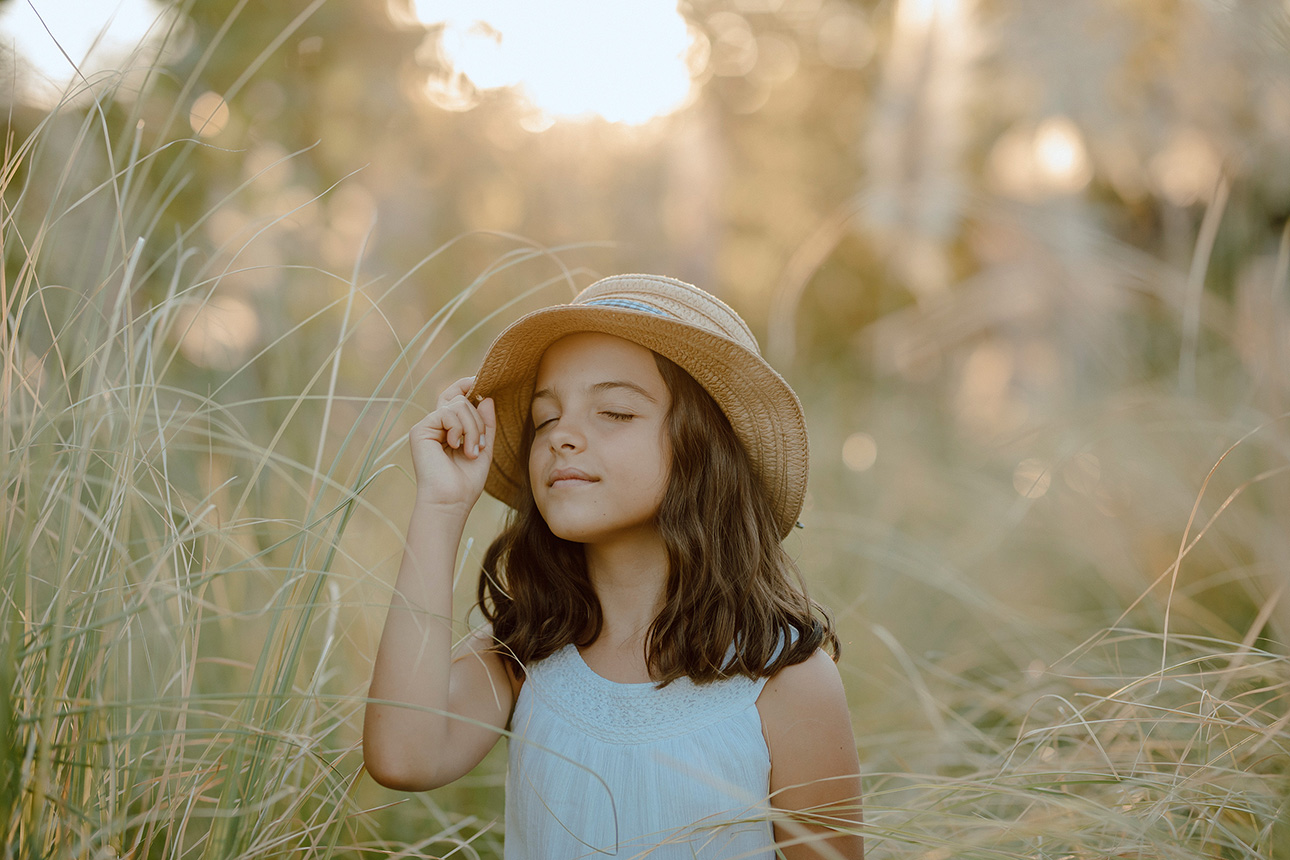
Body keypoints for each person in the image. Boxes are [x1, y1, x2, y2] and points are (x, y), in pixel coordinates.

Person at [364, 274, 864, 859]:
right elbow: (402, 756)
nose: (563, 437)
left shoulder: (784, 680)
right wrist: (441, 506)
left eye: (615, 412)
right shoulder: (526, 652)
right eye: (546, 418)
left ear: (702, 448)